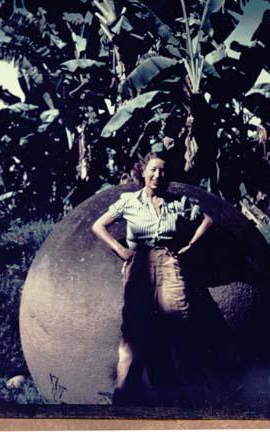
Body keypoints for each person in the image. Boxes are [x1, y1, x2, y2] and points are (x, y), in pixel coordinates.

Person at [91, 152, 213, 405]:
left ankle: (191, 400)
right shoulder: (129, 201)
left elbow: (207, 219)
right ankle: (122, 400)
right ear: (143, 172)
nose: (158, 175)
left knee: (181, 330)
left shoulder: (178, 202)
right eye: (154, 170)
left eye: (163, 171)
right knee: (132, 334)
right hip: (139, 266)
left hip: (170, 264)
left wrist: (191, 245)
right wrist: (121, 250)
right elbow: (98, 226)